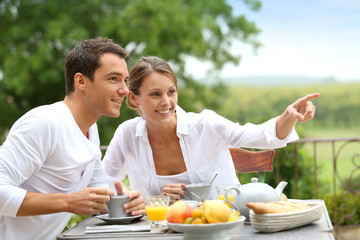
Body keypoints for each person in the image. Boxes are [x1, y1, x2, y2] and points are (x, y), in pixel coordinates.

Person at [102, 56, 320, 202]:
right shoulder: (127, 134)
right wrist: (150, 200)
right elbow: (105, 185)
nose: (167, 102)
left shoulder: (205, 124)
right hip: (160, 231)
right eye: (155, 94)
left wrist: (290, 115)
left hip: (222, 225)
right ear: (133, 97)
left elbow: (257, 135)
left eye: (171, 92)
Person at [0, 37, 145, 240]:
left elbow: (101, 200)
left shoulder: (90, 130)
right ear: (81, 81)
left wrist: (129, 203)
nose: (124, 90)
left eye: (125, 80)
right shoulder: (44, 123)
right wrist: (68, 202)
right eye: (113, 79)